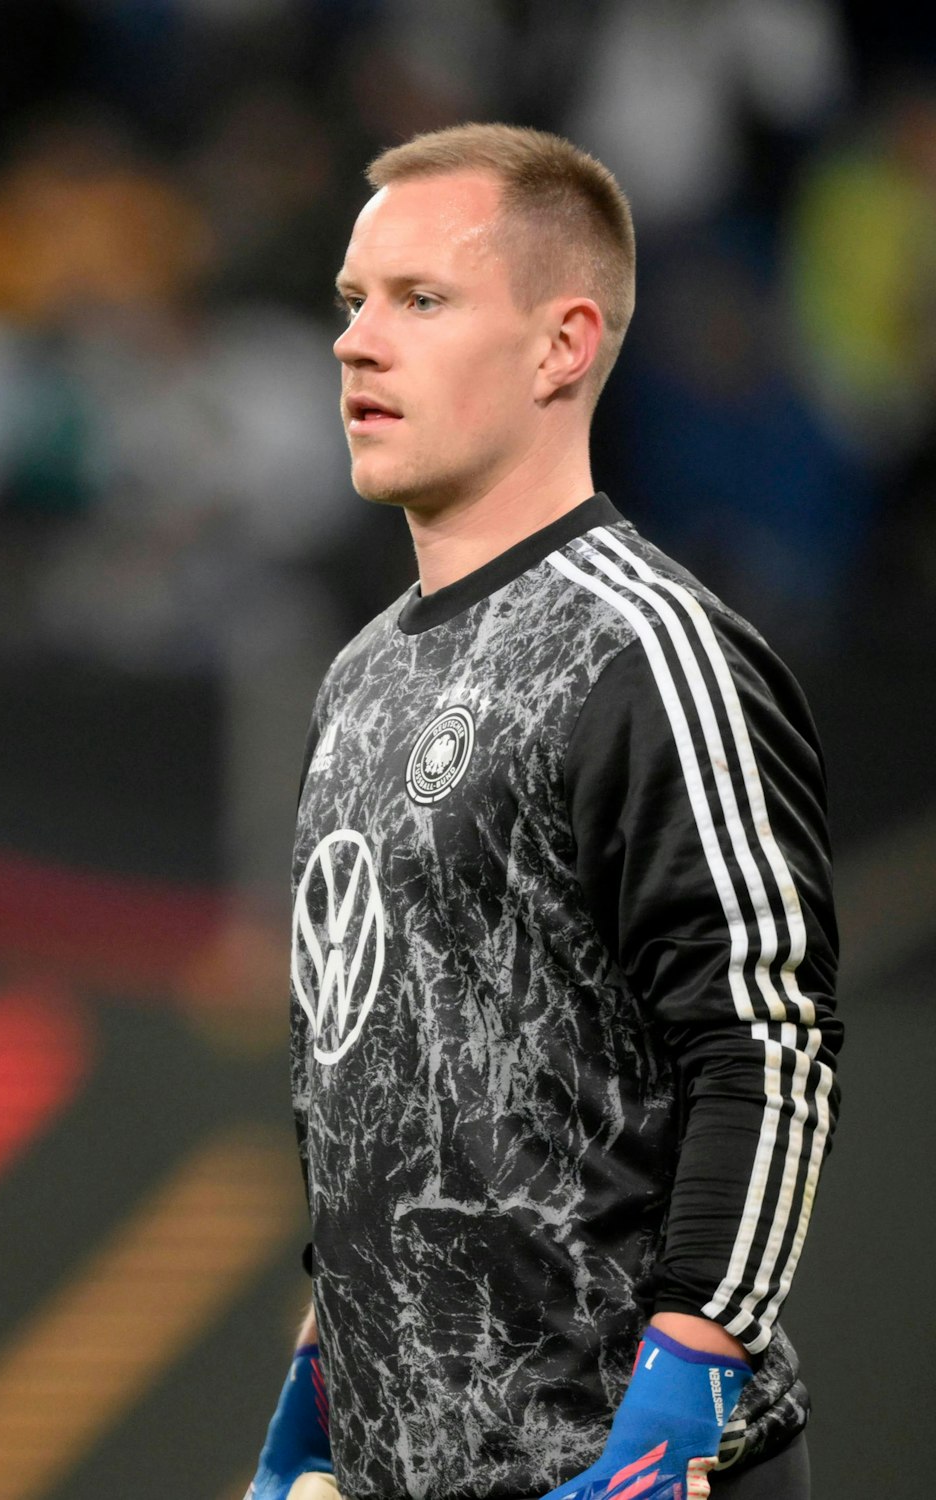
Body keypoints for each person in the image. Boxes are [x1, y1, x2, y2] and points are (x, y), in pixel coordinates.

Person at [245, 124, 840, 1500]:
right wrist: (316, 1402)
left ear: (562, 346)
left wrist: (677, 1409)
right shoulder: (358, 678)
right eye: (352, 301)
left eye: (421, 300)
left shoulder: (655, 652)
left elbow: (767, 1050)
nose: (355, 343)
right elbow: (376, 1085)